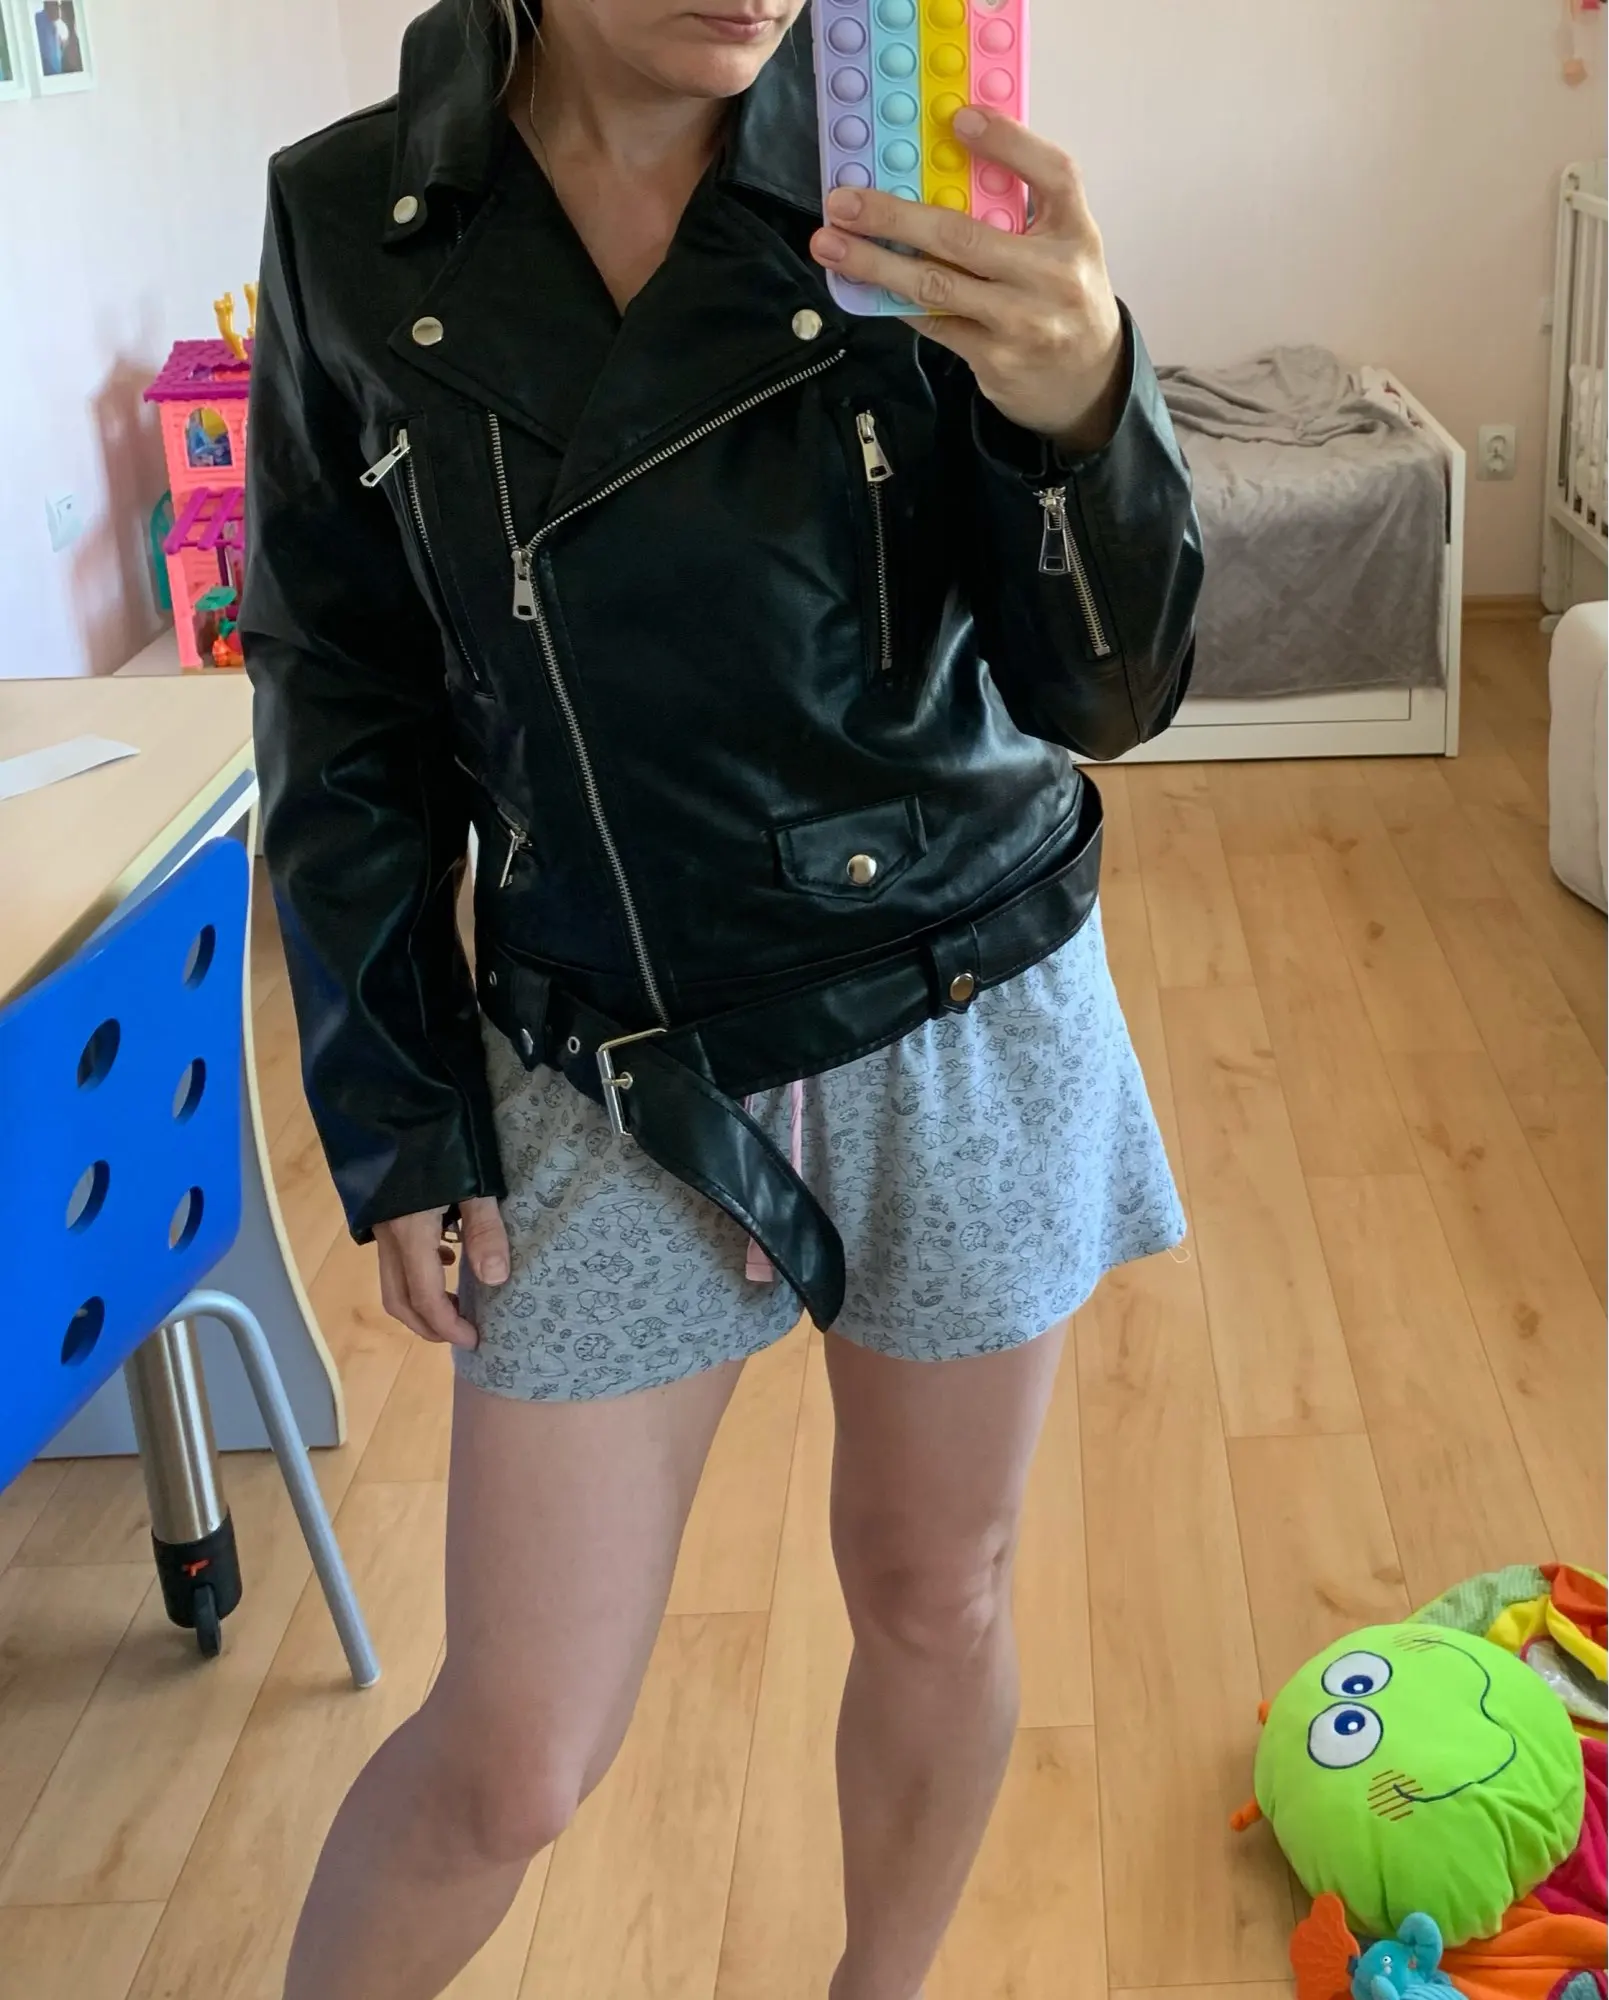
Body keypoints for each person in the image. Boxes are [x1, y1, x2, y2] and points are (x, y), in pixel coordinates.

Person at [242, 1, 1200, 1993]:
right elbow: (344, 701)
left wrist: (1085, 414)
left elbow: (1105, 695)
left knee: (936, 1590)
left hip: (956, 988)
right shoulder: (353, 220)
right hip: (609, 1042)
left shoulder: (906, 167)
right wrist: (399, 1103)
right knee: (511, 1755)